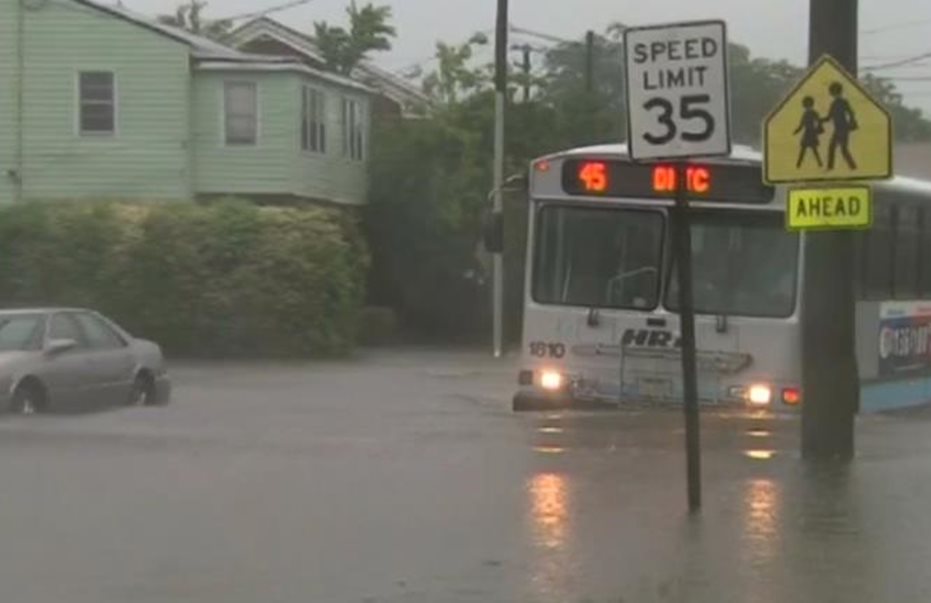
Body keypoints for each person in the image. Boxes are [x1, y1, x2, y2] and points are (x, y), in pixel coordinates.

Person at [823, 81, 858, 170]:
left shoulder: (843, 102)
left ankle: (852, 167)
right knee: (836, 148)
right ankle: (850, 167)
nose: (830, 93)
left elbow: (851, 112)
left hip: (843, 128)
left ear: (834, 92)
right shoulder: (834, 103)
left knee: (842, 149)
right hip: (838, 129)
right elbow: (829, 117)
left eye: (831, 91)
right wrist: (819, 120)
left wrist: (852, 122)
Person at [794, 96, 824, 168]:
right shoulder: (805, 113)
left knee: (813, 149)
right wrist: (797, 130)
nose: (805, 106)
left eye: (806, 104)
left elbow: (819, 121)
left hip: (811, 133)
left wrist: (819, 129)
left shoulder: (814, 113)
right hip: (808, 133)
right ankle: (798, 164)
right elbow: (802, 124)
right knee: (804, 149)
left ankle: (819, 163)